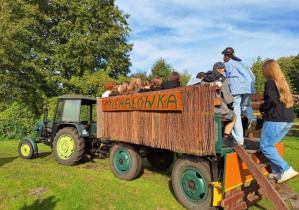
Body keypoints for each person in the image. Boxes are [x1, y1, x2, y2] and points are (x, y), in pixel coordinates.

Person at [259, 59, 298, 183]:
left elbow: (271, 101)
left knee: (265, 146)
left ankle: (286, 169)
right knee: (271, 145)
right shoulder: (283, 84)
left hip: (275, 119)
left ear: (267, 70)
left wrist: (262, 108)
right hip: (288, 120)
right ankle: (277, 172)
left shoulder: (270, 83)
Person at [222, 47, 257, 145]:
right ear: (234, 53)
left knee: (235, 112)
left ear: (225, 55)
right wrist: (250, 86)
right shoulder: (242, 62)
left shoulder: (227, 64)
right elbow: (252, 76)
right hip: (248, 87)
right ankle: (252, 117)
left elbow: (225, 79)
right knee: (246, 106)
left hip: (236, 88)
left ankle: (238, 139)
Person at [202, 62, 237, 147]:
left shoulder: (203, 80)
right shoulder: (224, 79)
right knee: (234, 115)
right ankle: (225, 138)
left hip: (206, 110)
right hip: (219, 111)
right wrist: (231, 108)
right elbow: (228, 99)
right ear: (222, 70)